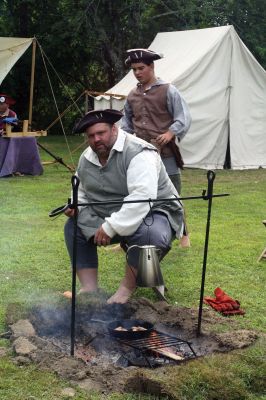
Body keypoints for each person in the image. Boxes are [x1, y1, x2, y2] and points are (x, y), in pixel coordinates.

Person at [63, 109, 184, 304]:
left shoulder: (139, 152)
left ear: (114, 129)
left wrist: (110, 227)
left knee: (150, 235)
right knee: (73, 226)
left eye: (101, 133)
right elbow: (81, 188)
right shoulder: (87, 157)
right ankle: (89, 288)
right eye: (91, 136)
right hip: (112, 212)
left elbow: (142, 197)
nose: (96, 139)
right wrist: (75, 204)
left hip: (156, 211)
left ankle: (126, 289)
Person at [120, 48, 191, 247]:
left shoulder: (168, 90)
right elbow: (126, 123)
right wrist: (126, 140)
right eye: (134, 69)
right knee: (135, 194)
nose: (137, 73)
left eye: (141, 68)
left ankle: (184, 235)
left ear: (151, 66)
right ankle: (128, 237)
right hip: (140, 154)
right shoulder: (132, 95)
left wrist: (169, 133)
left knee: (173, 194)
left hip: (165, 152)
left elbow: (183, 117)